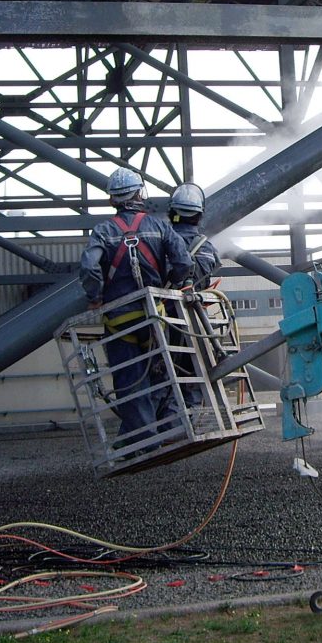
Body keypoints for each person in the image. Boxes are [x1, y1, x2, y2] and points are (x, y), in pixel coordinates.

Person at [80, 167, 193, 448]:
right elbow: (183, 263)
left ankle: (145, 442)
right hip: (155, 317)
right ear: (140, 193)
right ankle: (167, 429)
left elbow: (88, 267)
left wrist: (95, 297)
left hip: (120, 321)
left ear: (112, 200)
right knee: (161, 372)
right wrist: (172, 284)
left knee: (130, 381)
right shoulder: (160, 226)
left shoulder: (103, 231)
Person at [168, 183, 222, 409]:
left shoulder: (164, 242)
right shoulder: (207, 247)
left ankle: (171, 423)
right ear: (199, 216)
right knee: (196, 369)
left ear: (172, 213)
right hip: (198, 321)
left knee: (167, 370)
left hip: (166, 319)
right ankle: (195, 416)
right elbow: (213, 271)